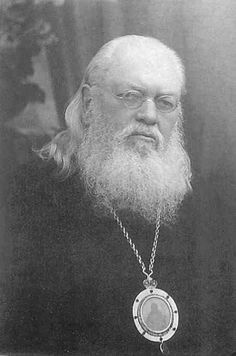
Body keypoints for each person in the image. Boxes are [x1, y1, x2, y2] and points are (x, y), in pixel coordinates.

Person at [2, 35, 229, 355]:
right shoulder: (31, 194)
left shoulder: (206, 205)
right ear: (90, 101)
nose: (149, 115)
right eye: (131, 96)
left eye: (165, 102)